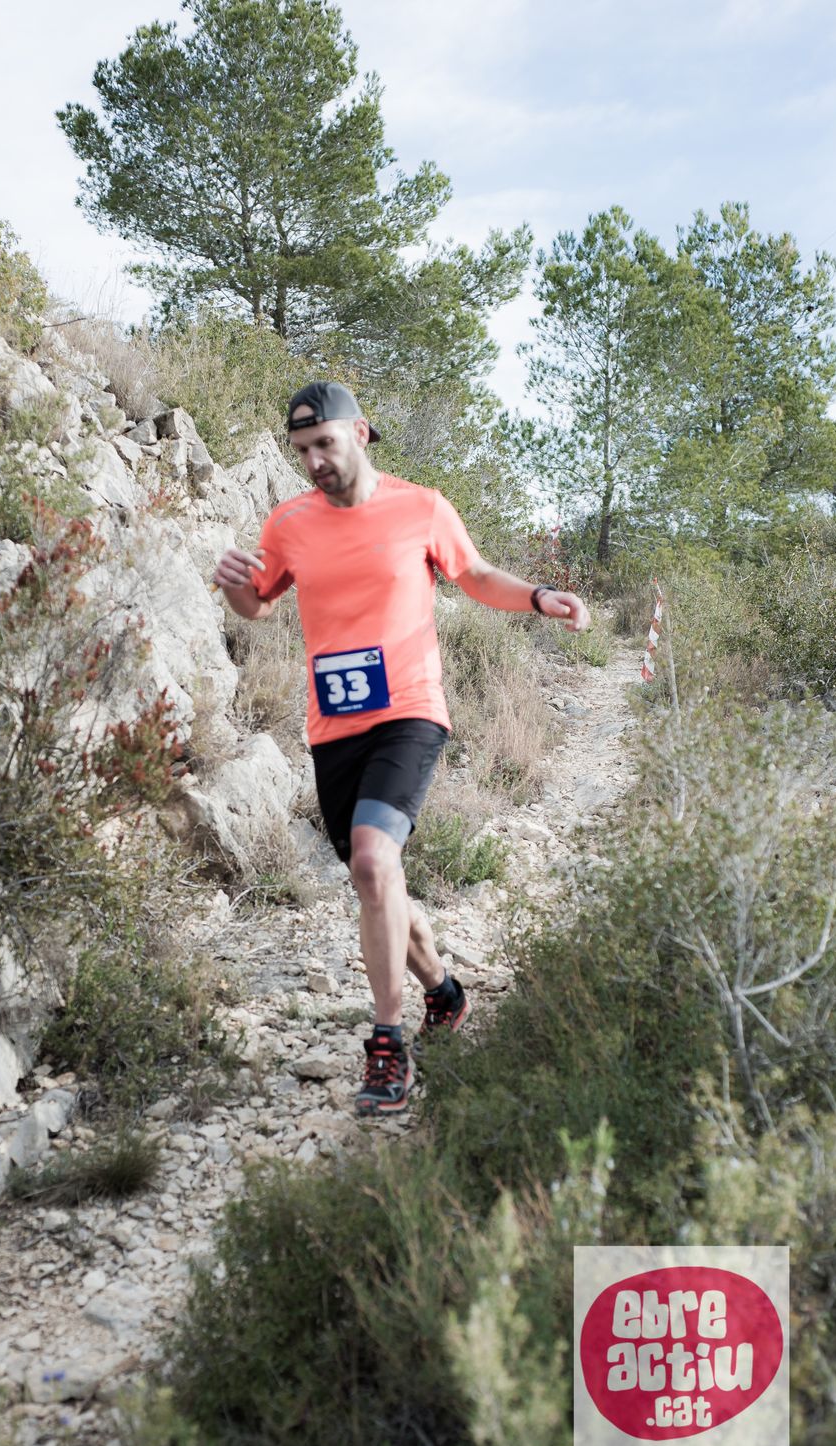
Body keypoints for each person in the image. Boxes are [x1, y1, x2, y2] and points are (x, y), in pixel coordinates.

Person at [213, 381, 590, 1117]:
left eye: (324, 443)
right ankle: (444, 994)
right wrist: (234, 587)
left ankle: (388, 1048)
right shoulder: (289, 522)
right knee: (378, 879)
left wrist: (541, 596)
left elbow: (474, 576)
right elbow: (257, 604)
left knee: (372, 860)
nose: (314, 461)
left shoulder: (421, 507)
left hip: (410, 713)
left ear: (360, 433)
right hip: (334, 728)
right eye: (302, 450)